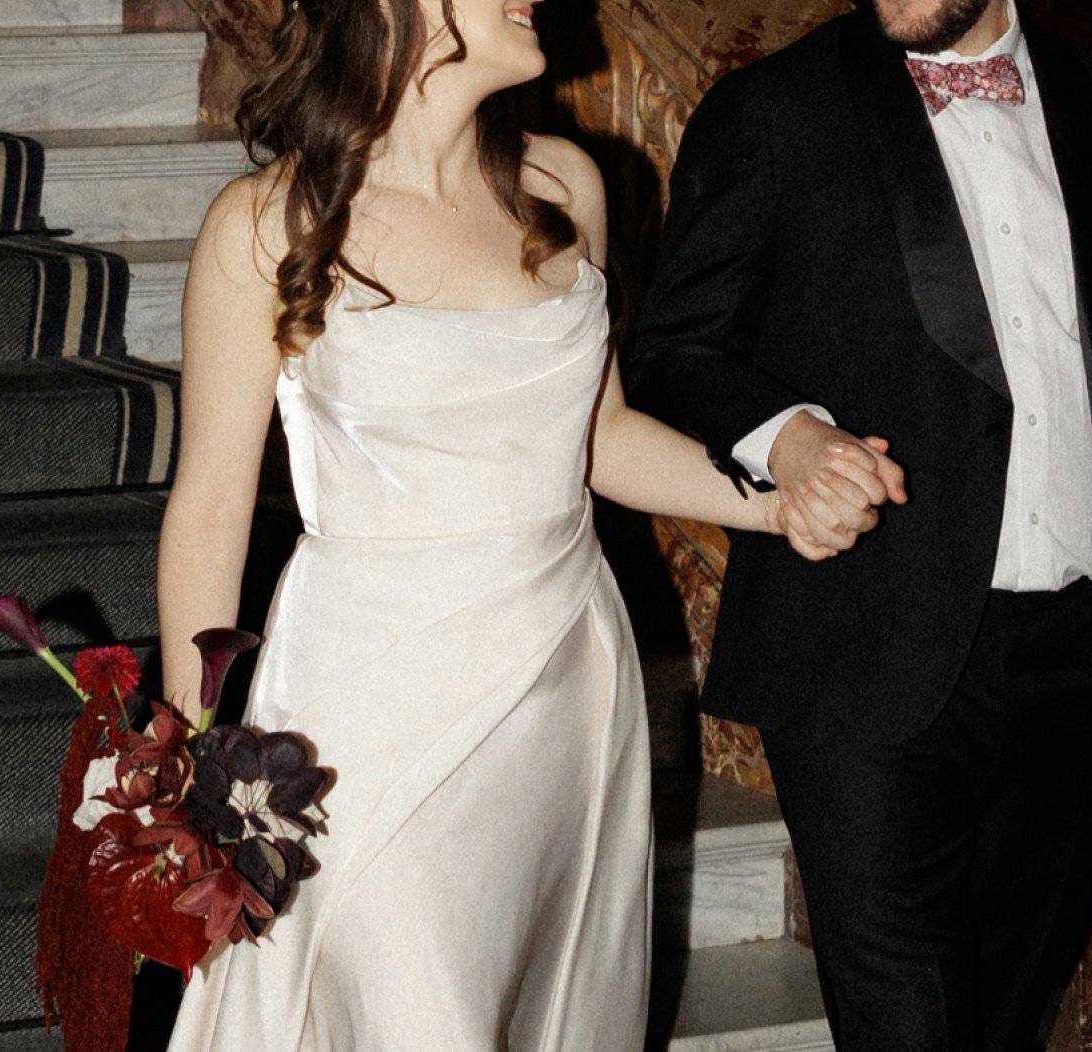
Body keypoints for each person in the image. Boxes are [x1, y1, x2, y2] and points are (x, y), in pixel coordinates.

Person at [153, 0, 893, 1047]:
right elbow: (212, 506)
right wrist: (186, 751)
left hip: (562, 697)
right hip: (364, 711)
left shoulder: (561, 188)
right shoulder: (265, 221)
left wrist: (774, 507)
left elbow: (594, 439)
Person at [624, 0, 1092, 1047]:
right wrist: (789, 439)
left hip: (1075, 658)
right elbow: (672, 348)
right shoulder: (771, 110)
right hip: (856, 650)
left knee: (996, 1017)